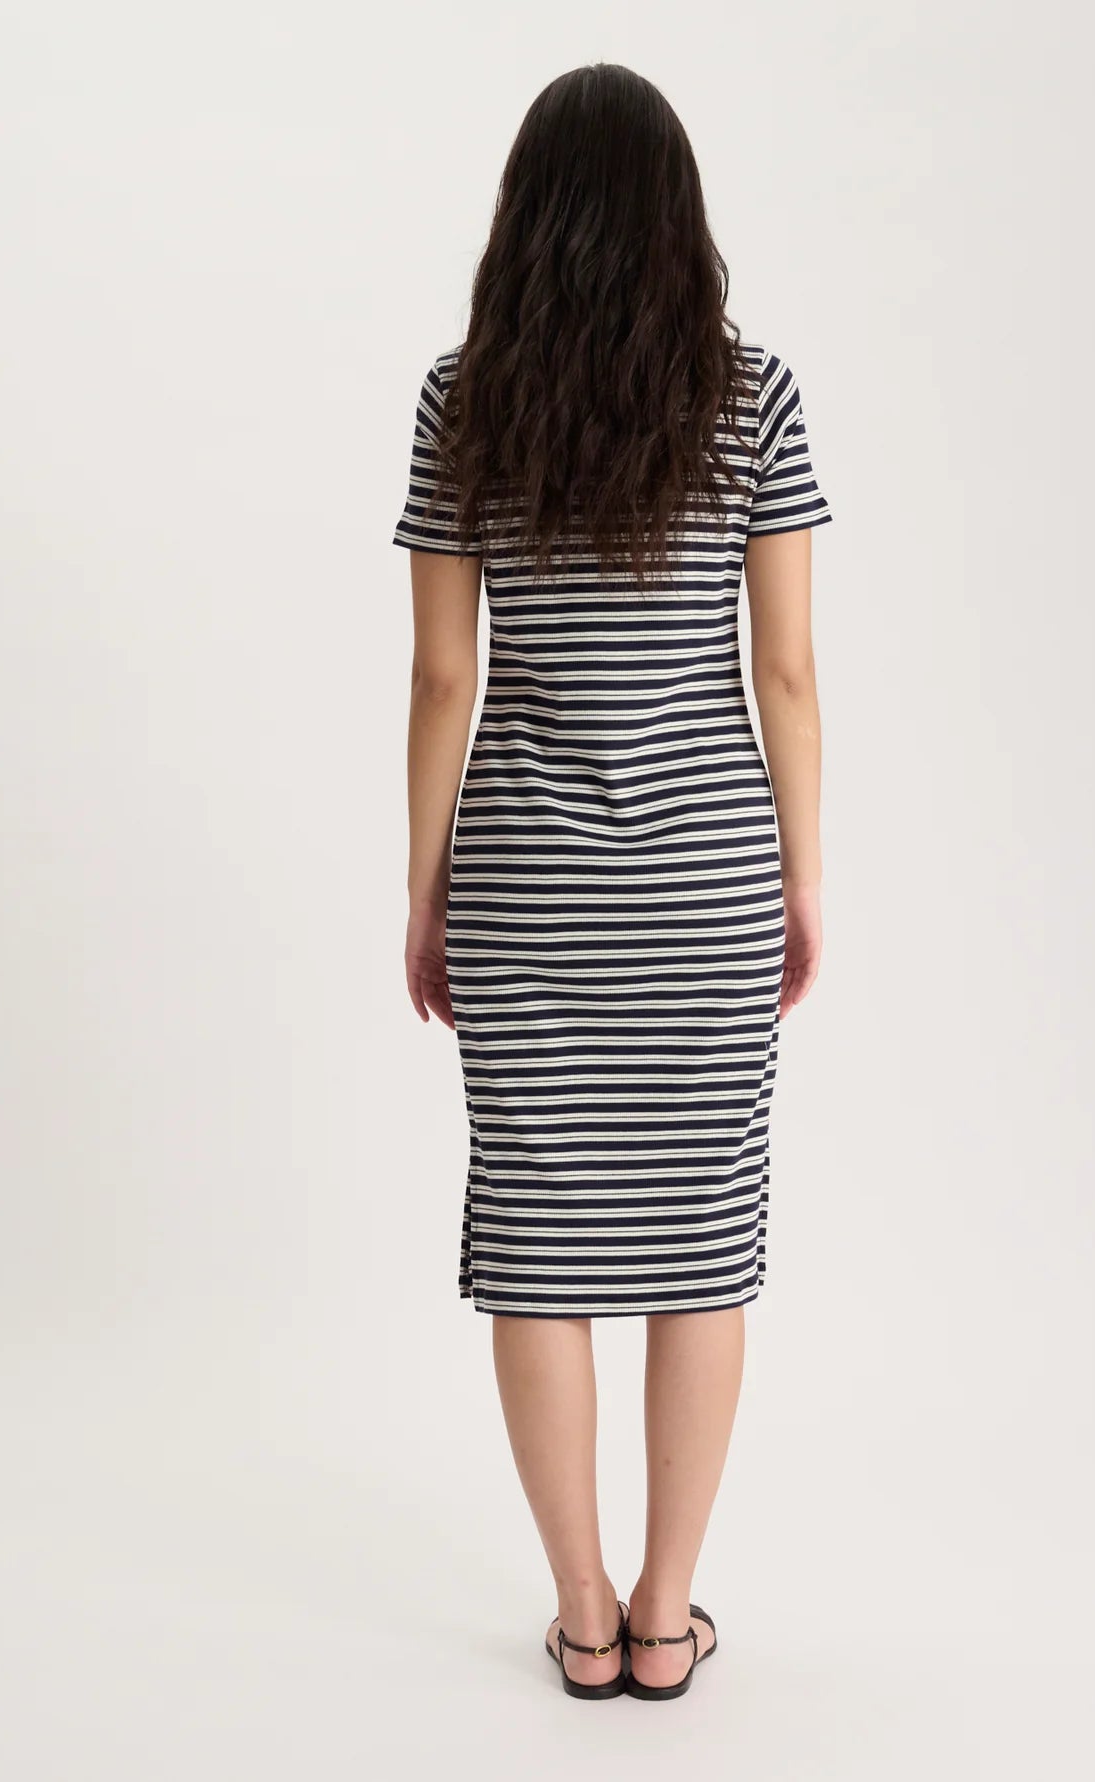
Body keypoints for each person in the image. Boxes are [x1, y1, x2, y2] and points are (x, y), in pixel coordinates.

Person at [392, 63, 831, 1703]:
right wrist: (796, 878)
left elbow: (449, 681)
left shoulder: (464, 402)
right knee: (700, 1245)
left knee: (540, 1239)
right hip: (711, 878)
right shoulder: (757, 397)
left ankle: (579, 1613)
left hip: (525, 882)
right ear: (677, 221)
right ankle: (667, 1611)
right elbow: (784, 674)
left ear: (527, 222)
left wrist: (427, 891)